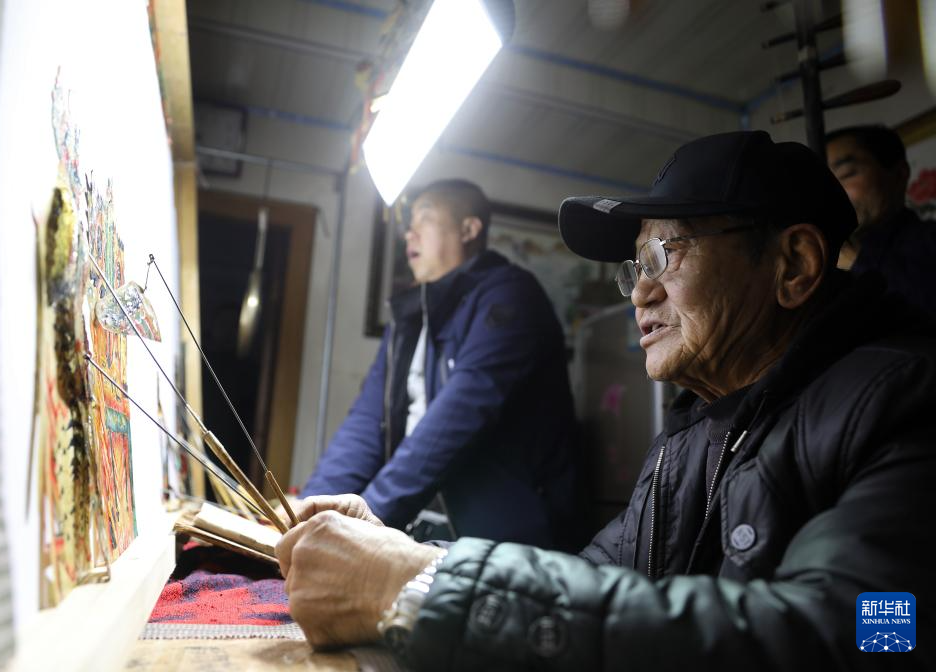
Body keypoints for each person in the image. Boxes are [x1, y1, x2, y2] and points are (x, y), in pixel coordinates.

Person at [276, 131, 936, 670]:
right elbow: (586, 580)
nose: (640, 293)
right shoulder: (690, 436)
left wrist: (418, 585)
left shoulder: (907, 403)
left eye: (664, 256)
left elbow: (866, 640)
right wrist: (403, 554)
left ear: (793, 265)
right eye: (636, 268)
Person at [300, 178, 582, 550]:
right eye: (409, 224)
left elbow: (458, 417)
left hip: (506, 542)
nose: (410, 234)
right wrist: (311, 510)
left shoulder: (511, 296)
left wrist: (368, 520)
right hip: (424, 532)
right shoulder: (410, 319)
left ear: (468, 230)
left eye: (425, 219)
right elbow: (367, 422)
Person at [826, 124, 936, 315]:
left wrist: (858, 261)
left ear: (899, 174)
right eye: (824, 182)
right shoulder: (825, 265)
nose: (831, 193)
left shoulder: (929, 240)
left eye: (846, 174)